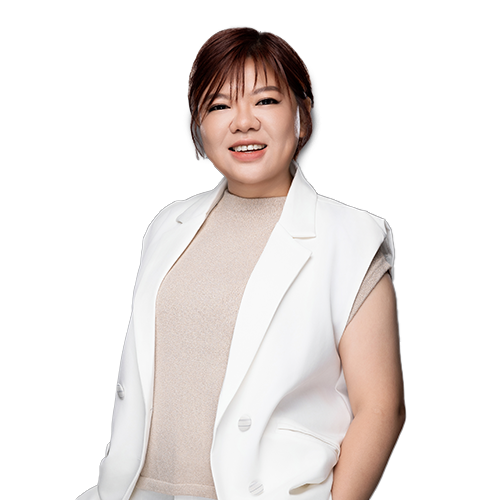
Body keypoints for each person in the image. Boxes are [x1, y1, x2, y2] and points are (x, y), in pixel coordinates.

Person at [77, 27, 405, 500]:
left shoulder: (351, 238)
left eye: (266, 101)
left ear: (302, 115)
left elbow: (382, 407)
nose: (243, 122)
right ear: (198, 125)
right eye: (219, 105)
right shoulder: (168, 226)